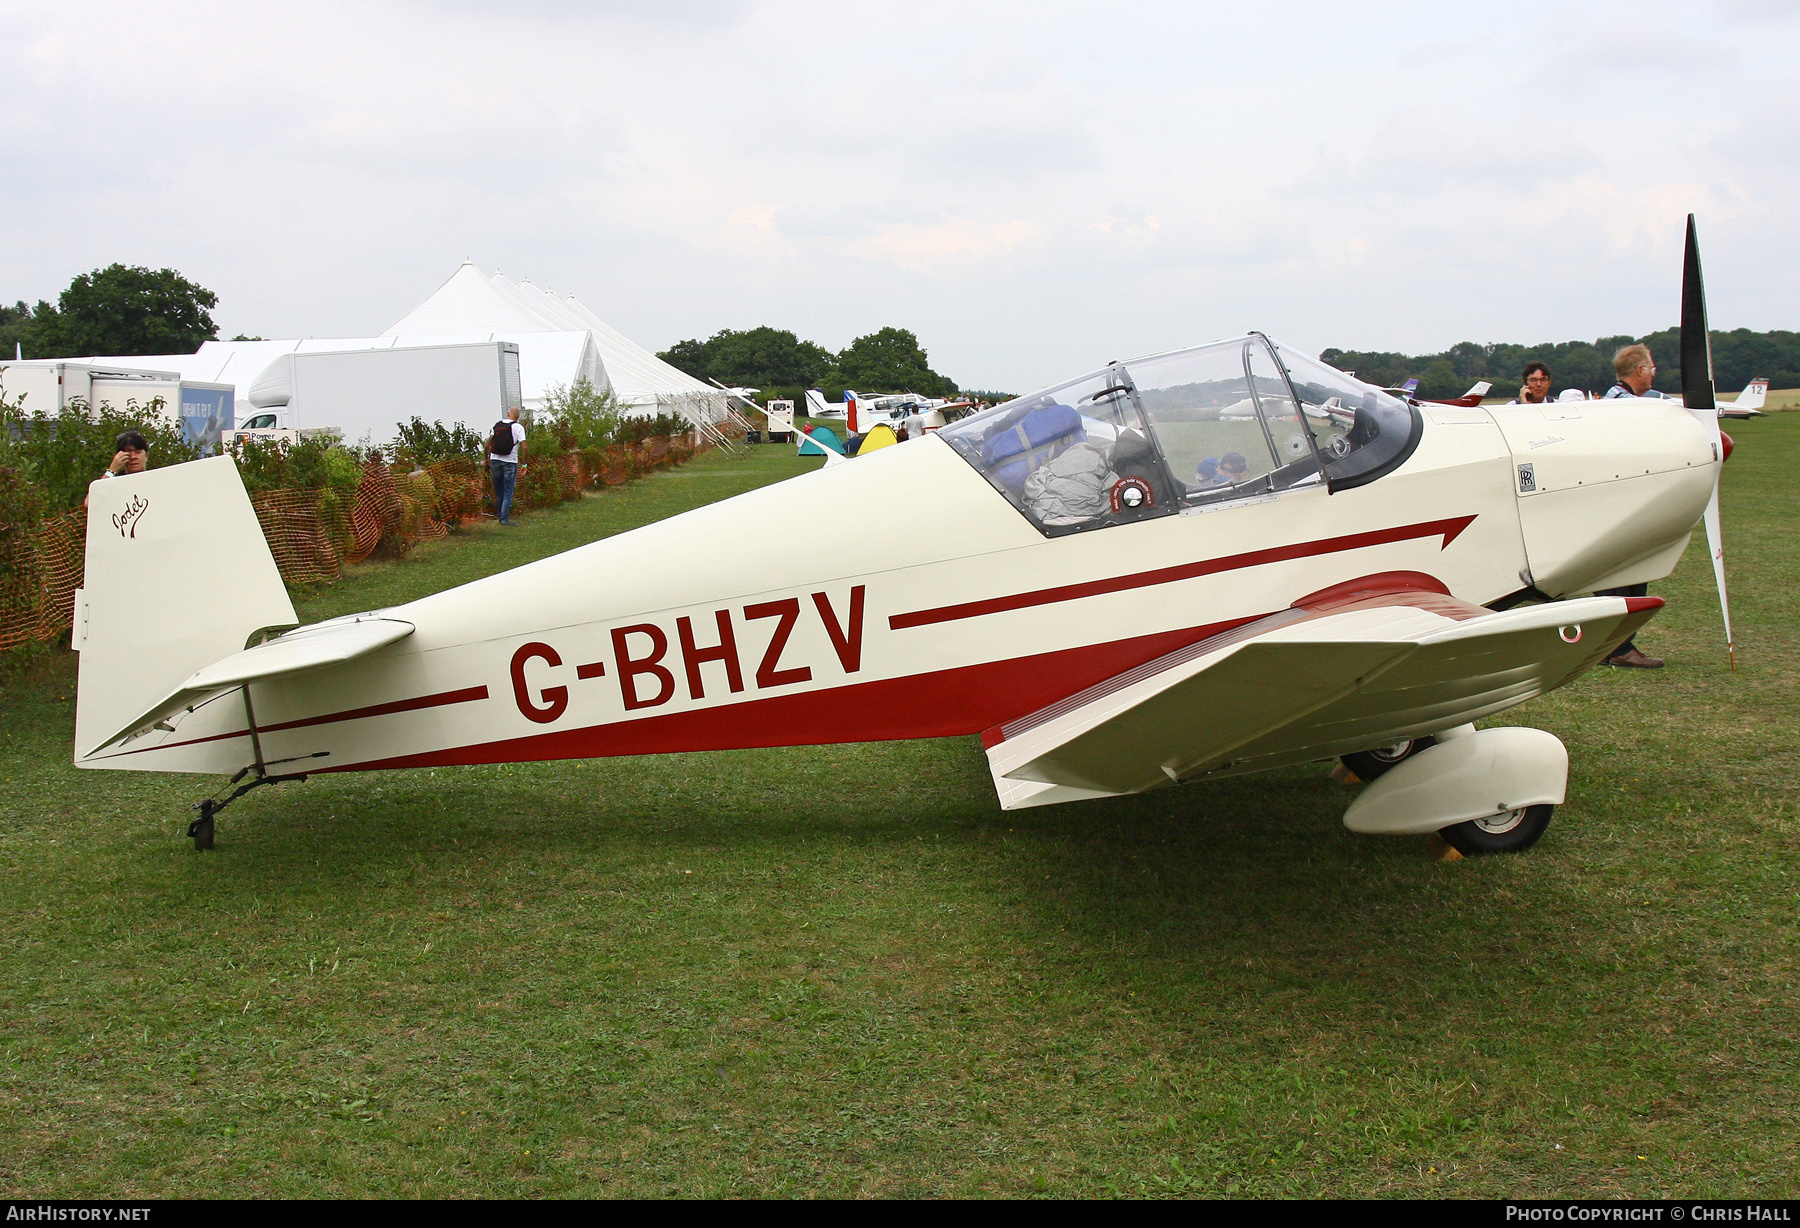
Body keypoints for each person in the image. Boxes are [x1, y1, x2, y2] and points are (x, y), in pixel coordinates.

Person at [1594, 344, 1668, 667]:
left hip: (1605, 502)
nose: (1653, 373)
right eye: (1650, 368)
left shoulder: (1608, 401)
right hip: (1620, 504)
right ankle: (1621, 648)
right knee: (1630, 574)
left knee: (1612, 576)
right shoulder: (1631, 408)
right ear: (1638, 371)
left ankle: (1609, 647)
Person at [488, 408, 527, 526]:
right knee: (508, 491)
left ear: (508, 414)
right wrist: (524, 464)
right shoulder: (518, 428)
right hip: (510, 461)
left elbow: (488, 443)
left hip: (495, 459)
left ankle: (500, 515)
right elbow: (524, 447)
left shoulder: (497, 425)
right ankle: (504, 519)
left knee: (498, 490)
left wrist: (486, 458)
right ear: (518, 416)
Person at [1603, 344, 1670, 400]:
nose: (1653, 375)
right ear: (1640, 371)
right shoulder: (1631, 403)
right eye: (1652, 370)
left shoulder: (1612, 393)